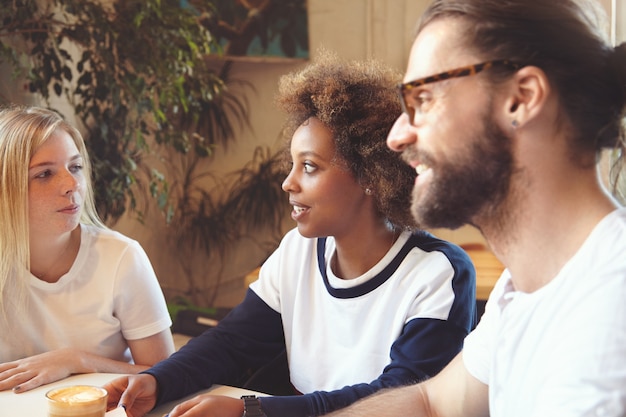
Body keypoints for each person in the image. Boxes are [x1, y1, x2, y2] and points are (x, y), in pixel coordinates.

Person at [103, 51, 477, 417]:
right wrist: (159, 380)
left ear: (370, 176)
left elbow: (400, 396)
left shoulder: (438, 274)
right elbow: (232, 342)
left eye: (310, 167)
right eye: (292, 165)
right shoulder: (298, 249)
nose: (287, 183)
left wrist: (254, 410)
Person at [322, 1, 626, 417]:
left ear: (521, 99)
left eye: (423, 98)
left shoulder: (609, 317)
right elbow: (431, 403)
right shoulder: (527, 289)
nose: (397, 135)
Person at [0, 105, 175, 393]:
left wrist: (77, 360)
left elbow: (167, 376)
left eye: (76, 167)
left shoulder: (121, 258)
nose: (72, 184)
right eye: (44, 174)